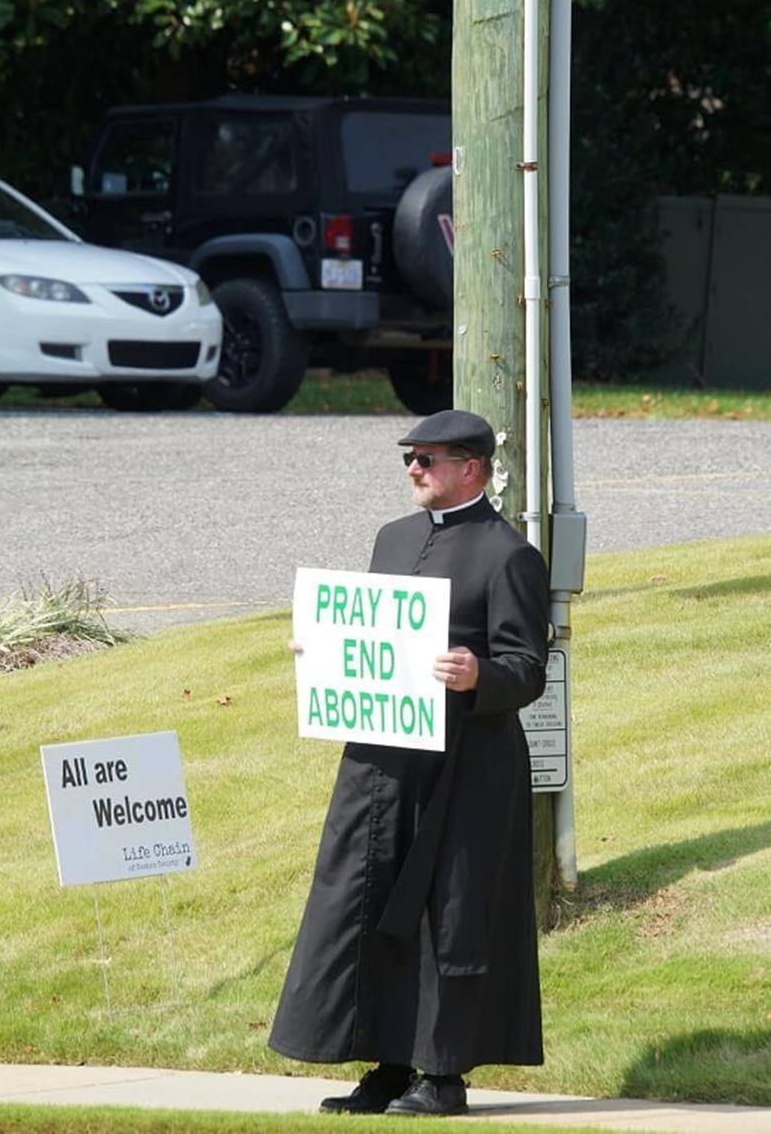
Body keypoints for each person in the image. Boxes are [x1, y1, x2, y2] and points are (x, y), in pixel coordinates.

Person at [268, 409, 549, 1117]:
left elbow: (527, 669)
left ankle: (443, 1074)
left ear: (471, 469)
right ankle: (388, 1065)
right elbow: (374, 636)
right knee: (366, 899)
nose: (414, 469)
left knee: (449, 913)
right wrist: (324, 648)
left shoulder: (508, 555)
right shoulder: (392, 538)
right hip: (383, 761)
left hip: (465, 768)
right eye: (409, 459)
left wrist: (478, 674)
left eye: (427, 459)